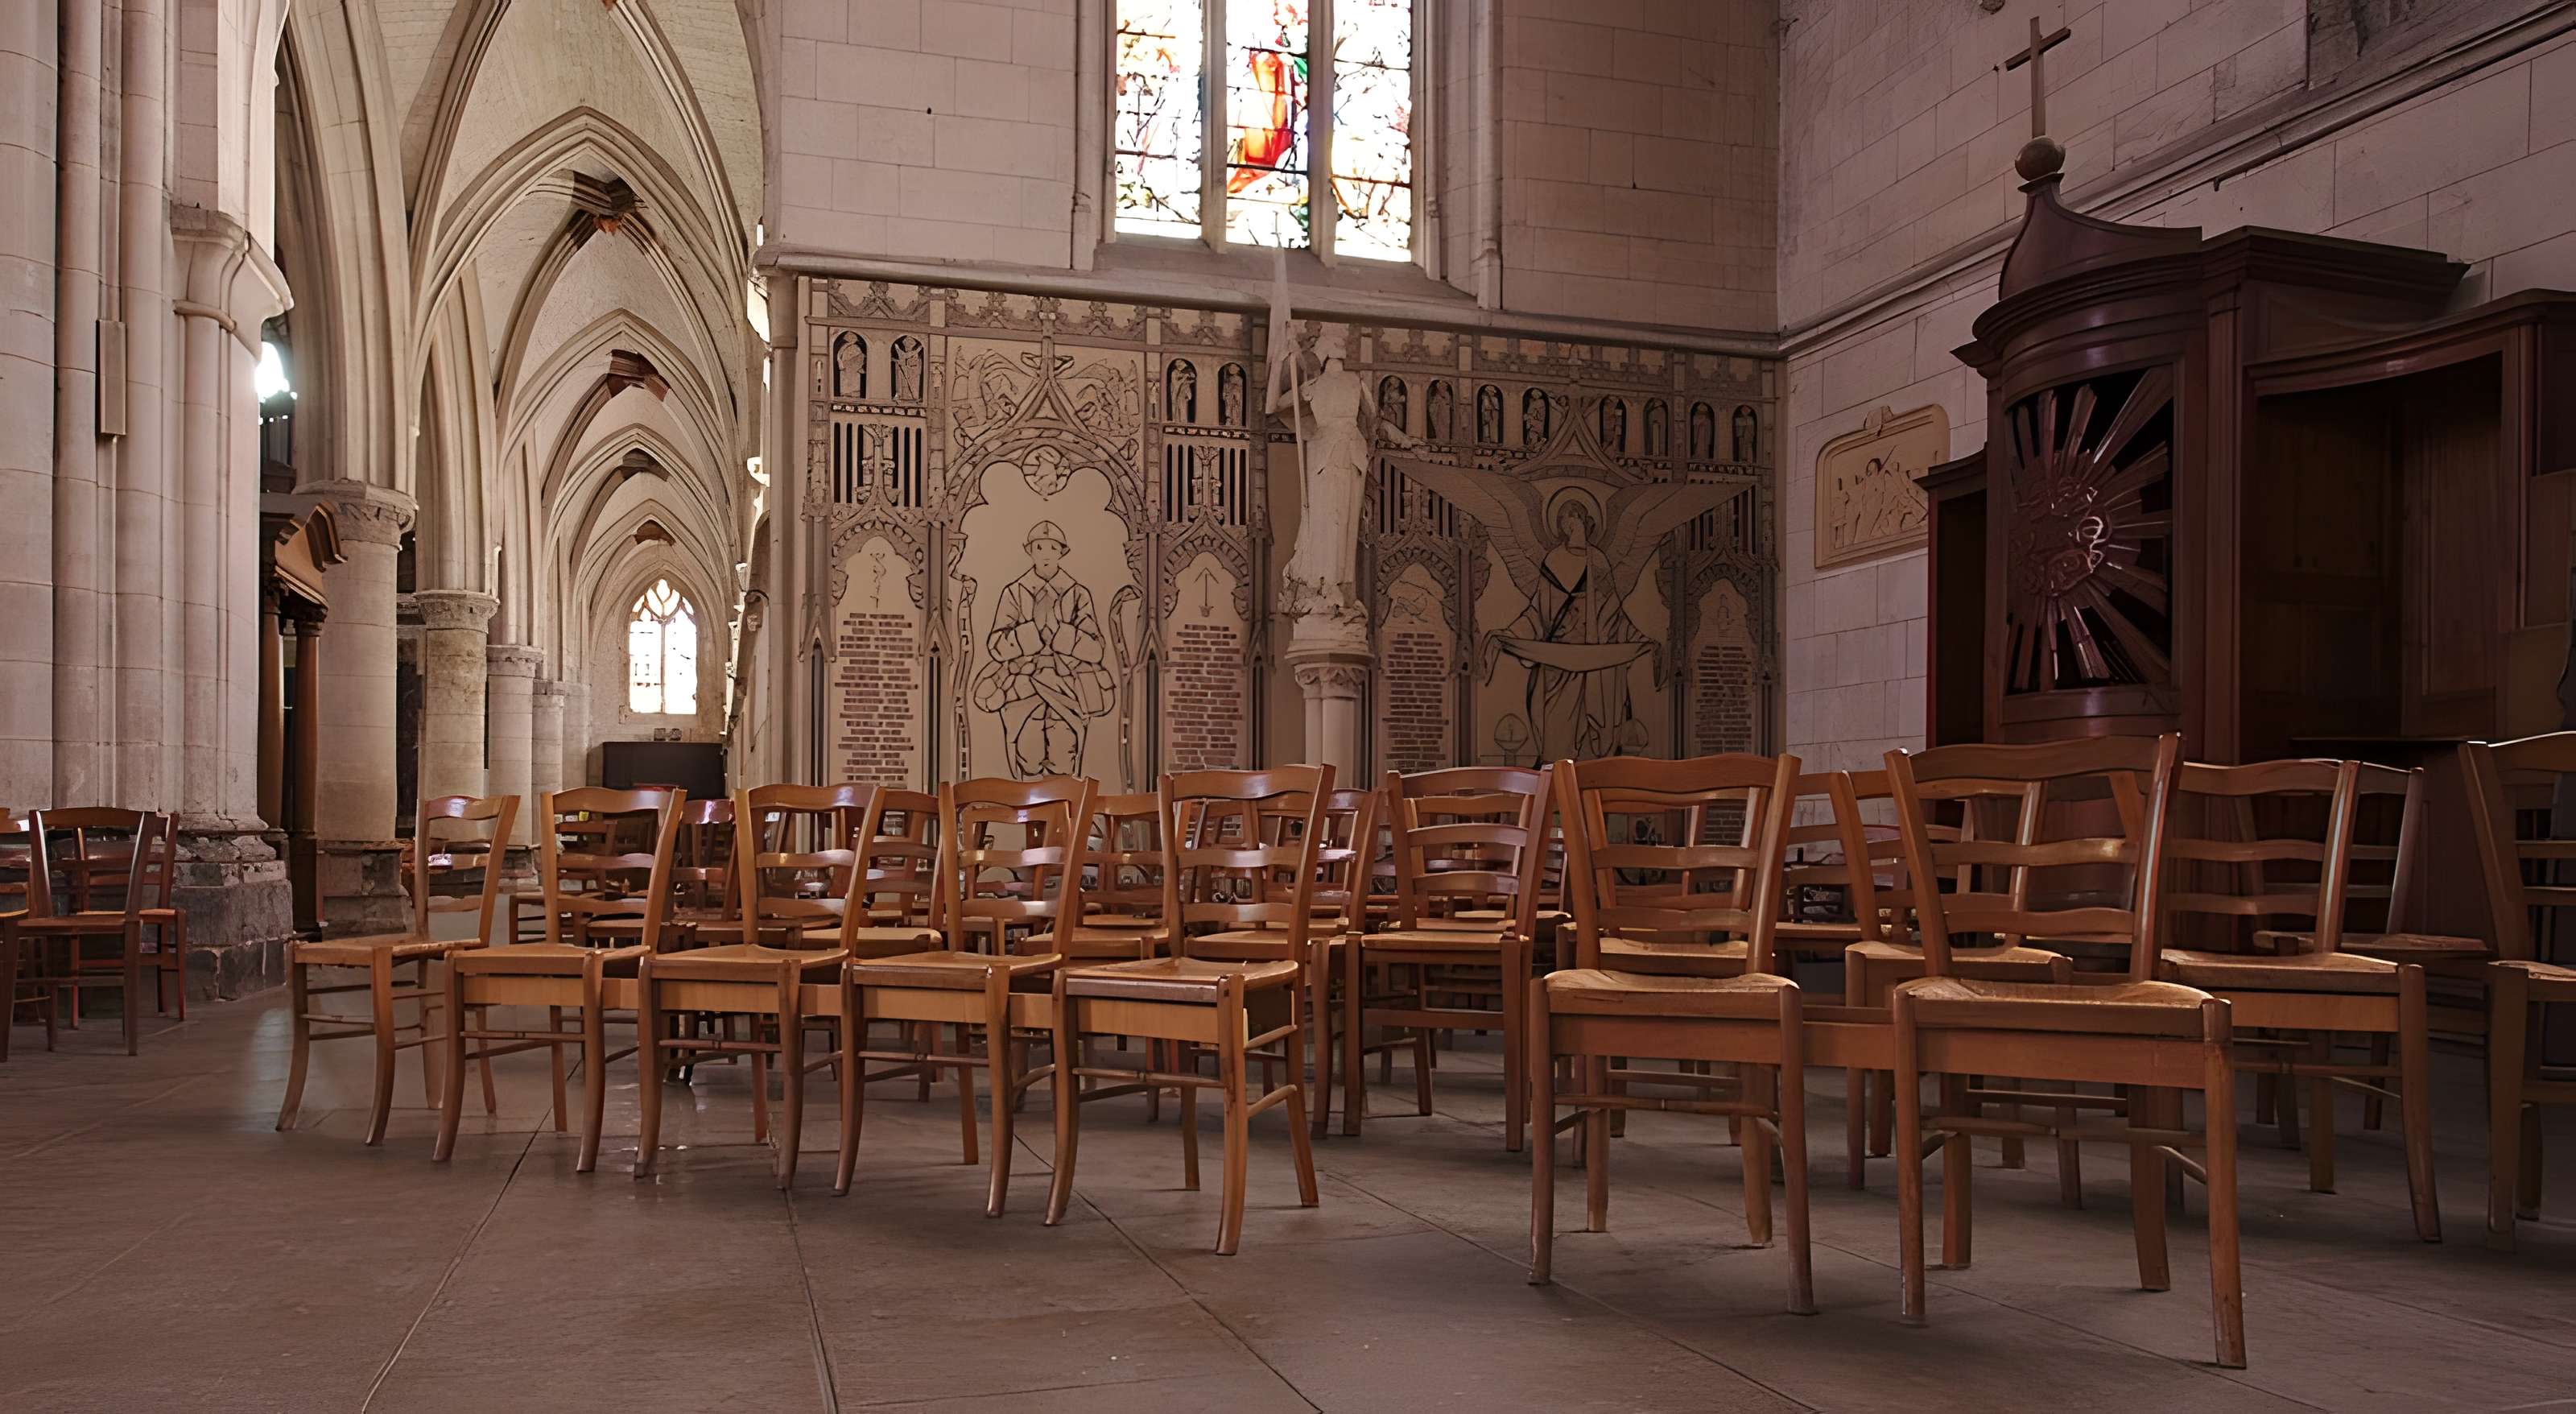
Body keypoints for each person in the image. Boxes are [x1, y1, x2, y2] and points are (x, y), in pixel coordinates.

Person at [972, 522, 1113, 775]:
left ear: (1061, 552)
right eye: (1039, 547)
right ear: (1030, 551)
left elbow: (1095, 648)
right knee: (1029, 756)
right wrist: (1030, 635)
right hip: (1023, 687)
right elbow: (996, 645)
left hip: (1067, 687)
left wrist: (1062, 635)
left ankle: (1067, 814)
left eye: (1052, 547)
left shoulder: (1078, 594)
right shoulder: (1014, 593)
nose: (1046, 553)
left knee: (1063, 757)